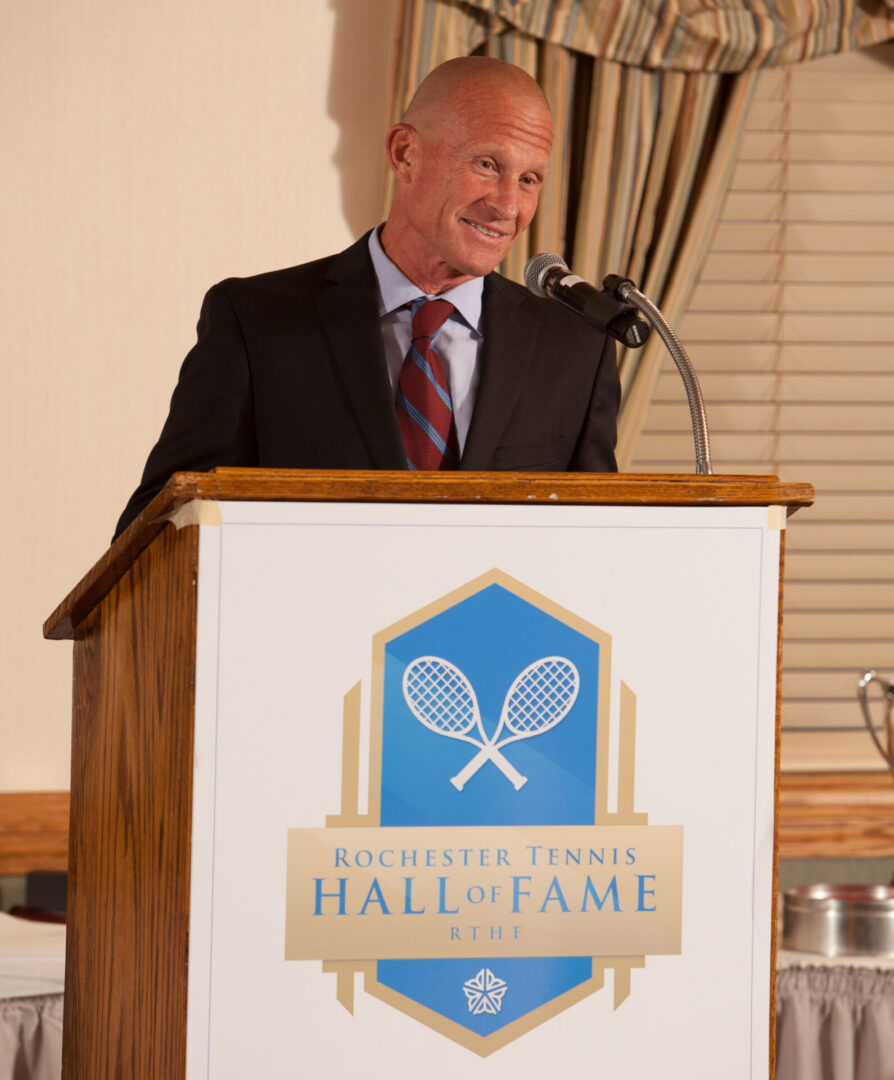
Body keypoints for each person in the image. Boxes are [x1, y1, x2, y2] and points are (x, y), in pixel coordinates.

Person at [114, 57, 620, 539]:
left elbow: (602, 545)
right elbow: (161, 526)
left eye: (529, 179)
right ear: (405, 154)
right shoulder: (255, 322)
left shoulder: (576, 348)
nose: (508, 205)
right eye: (487, 165)